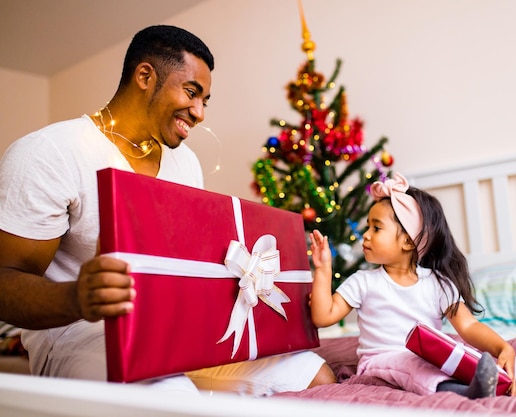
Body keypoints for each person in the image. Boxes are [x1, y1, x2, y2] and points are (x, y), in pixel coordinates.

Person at [0, 24, 335, 396]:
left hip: (176, 331)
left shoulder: (186, 163)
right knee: (172, 399)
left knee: (314, 376)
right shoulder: (51, 152)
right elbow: (4, 279)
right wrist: (77, 297)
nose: (200, 112)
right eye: (192, 93)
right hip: (82, 334)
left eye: (205, 100)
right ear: (145, 76)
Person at [309, 172, 516, 398]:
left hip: (432, 353)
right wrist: (322, 269)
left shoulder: (438, 284)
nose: (365, 235)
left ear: (408, 241)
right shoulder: (364, 282)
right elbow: (324, 316)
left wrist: (502, 347)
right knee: (414, 366)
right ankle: (468, 390)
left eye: (375, 228)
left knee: (477, 358)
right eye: (368, 227)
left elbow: (468, 327)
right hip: (382, 361)